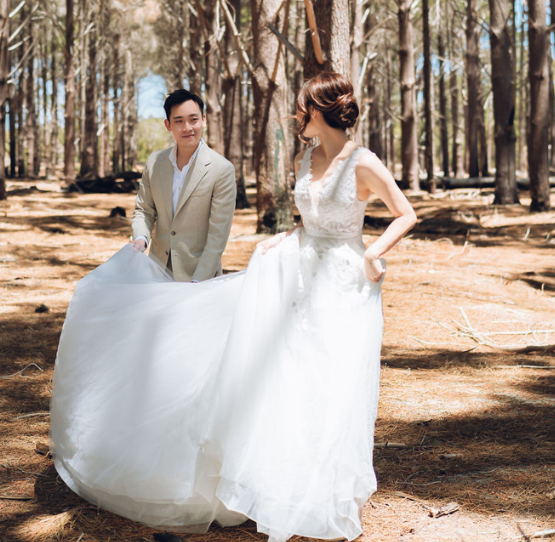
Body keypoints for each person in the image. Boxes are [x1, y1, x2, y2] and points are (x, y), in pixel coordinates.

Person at [50, 72, 417, 542]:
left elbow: (405, 213)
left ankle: (323, 484)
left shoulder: (362, 162)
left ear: (320, 111)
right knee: (290, 372)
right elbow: (310, 222)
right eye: (179, 120)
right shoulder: (307, 156)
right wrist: (283, 239)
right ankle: (283, 471)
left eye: (303, 108)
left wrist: (372, 252)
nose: (297, 115)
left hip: (343, 280)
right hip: (297, 267)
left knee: (331, 376)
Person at [131, 89, 236, 282]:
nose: (187, 127)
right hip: (157, 271)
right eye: (179, 121)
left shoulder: (222, 169)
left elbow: (217, 236)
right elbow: (144, 210)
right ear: (168, 125)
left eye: (193, 119)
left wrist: (198, 281)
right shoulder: (154, 162)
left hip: (198, 275)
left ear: (203, 120)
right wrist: (141, 238)